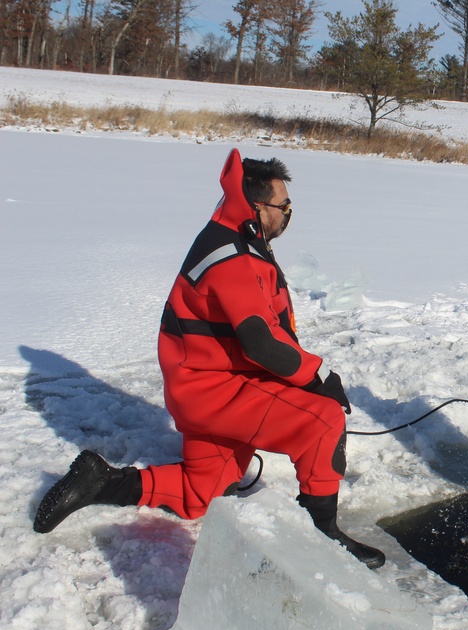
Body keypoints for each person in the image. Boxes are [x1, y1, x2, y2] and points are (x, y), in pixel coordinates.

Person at [33, 148, 385, 569]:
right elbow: (261, 342)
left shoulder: (236, 236)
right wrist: (319, 376)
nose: (289, 213)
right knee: (322, 419)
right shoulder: (232, 256)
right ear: (257, 206)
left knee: (199, 495)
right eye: (283, 205)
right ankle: (321, 537)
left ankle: (100, 482)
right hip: (215, 391)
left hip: (203, 388)